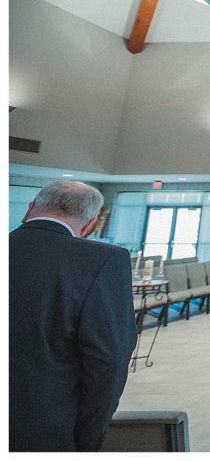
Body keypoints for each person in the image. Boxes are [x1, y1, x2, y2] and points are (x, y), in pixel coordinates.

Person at [9, 181, 137, 452]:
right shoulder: (102, 260)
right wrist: (88, 439)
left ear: (30, 208)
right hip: (43, 429)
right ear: (90, 224)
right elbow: (108, 361)